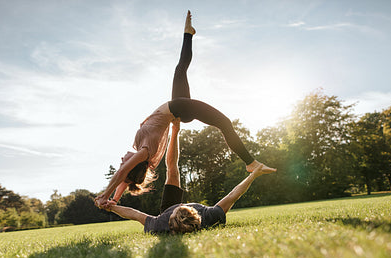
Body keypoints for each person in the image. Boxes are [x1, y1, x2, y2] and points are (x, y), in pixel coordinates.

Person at [95, 11, 275, 208]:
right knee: (224, 123)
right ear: (133, 165)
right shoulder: (144, 153)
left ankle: (188, 33)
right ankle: (250, 162)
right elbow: (122, 174)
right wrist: (104, 194)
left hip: (178, 111)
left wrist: (114, 199)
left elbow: (125, 179)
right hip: (178, 108)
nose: (122, 158)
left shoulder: (141, 152)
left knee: (181, 68)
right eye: (124, 162)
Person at [97, 119, 272, 234]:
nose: (182, 204)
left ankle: (175, 129)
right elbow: (234, 194)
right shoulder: (210, 216)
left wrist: (111, 207)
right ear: (195, 212)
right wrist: (254, 174)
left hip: (168, 211)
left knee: (172, 170)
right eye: (184, 207)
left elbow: (135, 214)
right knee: (173, 169)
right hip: (184, 219)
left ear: (171, 218)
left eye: (177, 209)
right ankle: (176, 130)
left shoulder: (160, 224)